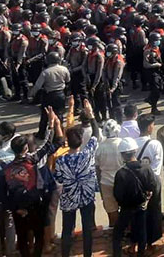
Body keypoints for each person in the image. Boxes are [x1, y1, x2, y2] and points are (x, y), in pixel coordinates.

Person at [0, 107, 58, 257]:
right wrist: (51, 124)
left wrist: (14, 208)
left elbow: (3, 194)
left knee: (23, 237)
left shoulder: (6, 169)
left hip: (18, 209)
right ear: (26, 148)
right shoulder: (33, 159)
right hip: (35, 206)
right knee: (38, 235)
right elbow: (47, 143)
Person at [53, 98, 101, 257]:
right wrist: (91, 114)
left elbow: (59, 180)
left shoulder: (61, 160)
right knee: (87, 229)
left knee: (67, 229)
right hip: (86, 197)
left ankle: (65, 254)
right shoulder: (87, 155)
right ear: (81, 141)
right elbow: (95, 133)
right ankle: (88, 254)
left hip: (69, 198)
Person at [112, 137, 159, 257]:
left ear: (122, 155)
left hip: (126, 208)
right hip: (141, 205)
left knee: (118, 233)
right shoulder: (146, 168)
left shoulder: (121, 173)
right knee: (141, 231)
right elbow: (152, 185)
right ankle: (141, 253)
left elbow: (117, 194)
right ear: (135, 151)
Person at [134, 113, 163, 251]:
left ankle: (138, 240)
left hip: (137, 182)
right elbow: (156, 167)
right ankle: (151, 242)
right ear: (149, 127)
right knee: (153, 211)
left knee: (139, 212)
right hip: (152, 181)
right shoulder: (155, 144)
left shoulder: (133, 143)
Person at [95, 118, 124, 227]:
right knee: (126, 208)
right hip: (122, 181)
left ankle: (115, 232)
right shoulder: (122, 144)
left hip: (106, 182)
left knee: (111, 209)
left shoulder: (100, 148)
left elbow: (97, 169)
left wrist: (99, 184)